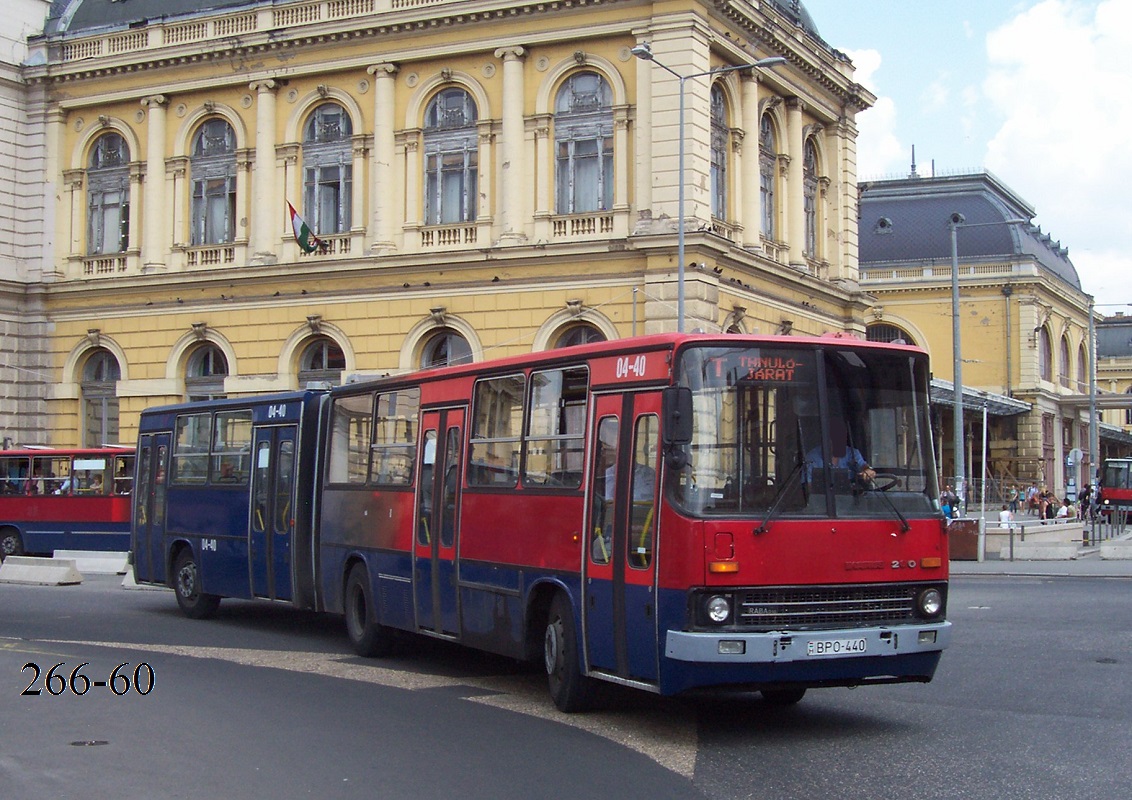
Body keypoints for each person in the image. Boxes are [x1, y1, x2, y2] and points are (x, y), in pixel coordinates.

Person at [805, 417, 875, 486]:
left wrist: (867, 471)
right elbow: (809, 488)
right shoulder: (812, 458)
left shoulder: (852, 453)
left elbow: (863, 466)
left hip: (852, 496)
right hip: (824, 497)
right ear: (825, 439)